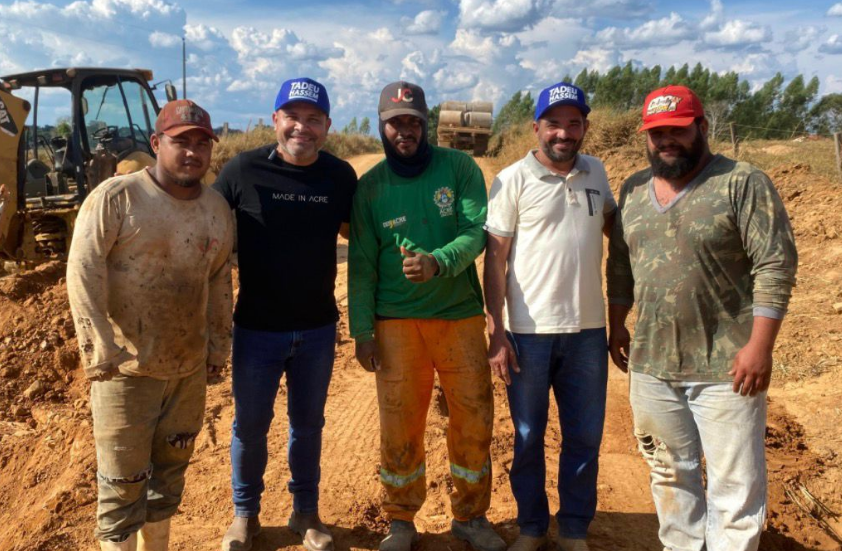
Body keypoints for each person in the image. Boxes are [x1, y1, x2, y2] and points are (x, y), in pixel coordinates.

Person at [606, 85, 798, 551]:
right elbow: (620, 265)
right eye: (657, 133)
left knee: (735, 486)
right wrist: (617, 324)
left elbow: (775, 263)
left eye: (677, 130)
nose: (666, 141)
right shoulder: (633, 189)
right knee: (670, 476)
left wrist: (760, 347)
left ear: (702, 127)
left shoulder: (741, 182)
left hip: (727, 367)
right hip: (652, 365)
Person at [67, 99, 234, 551]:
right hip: (125, 373)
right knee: (122, 486)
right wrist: (98, 348)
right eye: (181, 142)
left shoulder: (216, 208)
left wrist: (218, 348)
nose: (193, 152)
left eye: (202, 143)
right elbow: (83, 269)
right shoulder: (117, 198)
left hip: (186, 373)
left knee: (167, 482)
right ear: (157, 144)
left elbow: (219, 279)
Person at [348, 81, 505, 551]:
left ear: (426, 123)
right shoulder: (370, 187)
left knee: (473, 418)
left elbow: (475, 232)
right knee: (400, 423)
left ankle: (471, 516)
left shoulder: (459, 168)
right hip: (396, 325)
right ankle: (400, 520)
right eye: (395, 123)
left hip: (459, 318)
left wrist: (439, 262)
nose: (405, 131)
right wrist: (362, 331)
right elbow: (361, 264)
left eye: (413, 121)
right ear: (381, 127)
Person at [213, 77, 357, 551]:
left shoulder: (340, 176)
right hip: (256, 328)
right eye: (292, 116)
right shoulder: (242, 170)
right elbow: (202, 221)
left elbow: (361, 235)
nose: (302, 127)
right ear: (275, 119)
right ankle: (245, 516)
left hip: (317, 328)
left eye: (313, 119)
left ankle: (305, 513)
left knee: (308, 426)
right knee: (249, 427)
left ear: (327, 126)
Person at [484, 82, 615, 551]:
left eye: (573, 123)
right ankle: (532, 527)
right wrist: (496, 332)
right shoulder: (512, 179)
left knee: (585, 436)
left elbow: (615, 228)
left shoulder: (596, 171)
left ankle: (574, 529)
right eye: (554, 123)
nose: (564, 133)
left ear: (584, 127)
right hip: (529, 333)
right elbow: (495, 259)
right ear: (536, 127)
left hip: (588, 332)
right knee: (527, 436)